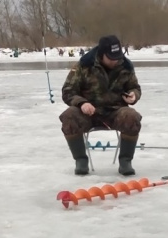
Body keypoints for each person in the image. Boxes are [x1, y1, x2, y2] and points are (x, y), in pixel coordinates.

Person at [60, 35, 142, 176]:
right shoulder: (84, 65)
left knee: (132, 116)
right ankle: (80, 161)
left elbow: (135, 87)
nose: (115, 61)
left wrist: (134, 95)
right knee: (69, 116)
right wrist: (82, 103)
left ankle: (125, 161)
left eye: (117, 56)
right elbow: (68, 91)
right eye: (111, 57)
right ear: (101, 54)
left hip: (115, 112)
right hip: (88, 113)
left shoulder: (126, 66)